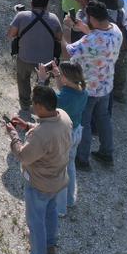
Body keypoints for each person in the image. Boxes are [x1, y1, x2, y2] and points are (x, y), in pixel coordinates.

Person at [4, 84, 72, 254]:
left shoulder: (41, 135)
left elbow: (23, 155)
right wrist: (28, 126)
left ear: (41, 106)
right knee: (50, 213)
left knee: (35, 222)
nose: (32, 107)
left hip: (40, 184)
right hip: (58, 179)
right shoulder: (63, 116)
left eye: (34, 104)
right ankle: (50, 245)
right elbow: (49, 132)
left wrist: (14, 135)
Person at [63, 1, 122, 170]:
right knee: (104, 118)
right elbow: (98, 39)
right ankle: (107, 153)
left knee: (85, 123)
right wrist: (84, 29)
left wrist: (66, 29)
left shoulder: (90, 40)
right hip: (106, 85)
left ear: (93, 19)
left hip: (88, 89)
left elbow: (68, 51)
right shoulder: (115, 30)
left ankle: (82, 159)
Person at [7, 0, 62, 117]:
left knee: (23, 79)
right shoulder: (54, 18)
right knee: (43, 85)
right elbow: (59, 37)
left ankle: (25, 106)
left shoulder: (21, 15)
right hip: (46, 62)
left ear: (31, 4)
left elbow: (10, 34)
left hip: (25, 58)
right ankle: (41, 108)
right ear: (47, 6)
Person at [46, 61, 87, 219]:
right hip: (77, 132)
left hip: (65, 136)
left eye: (61, 74)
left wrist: (43, 79)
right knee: (70, 166)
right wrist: (58, 75)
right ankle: (70, 200)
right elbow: (65, 90)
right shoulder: (82, 90)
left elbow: (48, 101)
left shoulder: (64, 98)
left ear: (66, 78)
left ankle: (60, 208)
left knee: (59, 171)